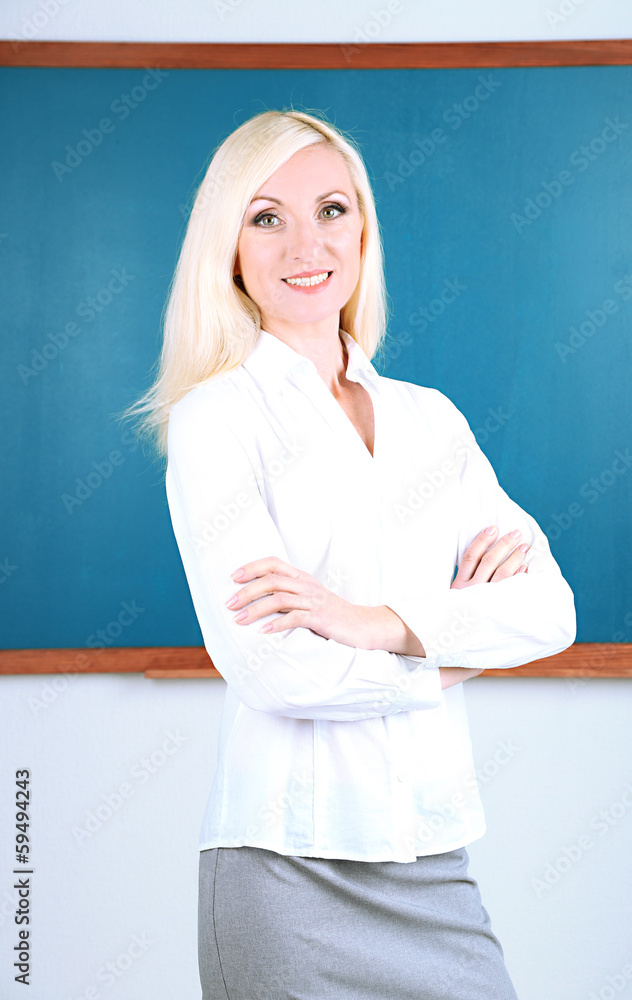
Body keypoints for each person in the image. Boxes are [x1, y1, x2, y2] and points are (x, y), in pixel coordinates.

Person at [125, 108, 576, 999]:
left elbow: (547, 612)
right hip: (284, 869)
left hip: (432, 854)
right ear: (229, 248)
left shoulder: (429, 417)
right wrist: (447, 658)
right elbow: (272, 671)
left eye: (331, 209)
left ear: (362, 230)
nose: (306, 242)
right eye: (267, 217)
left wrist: (369, 622)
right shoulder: (217, 418)